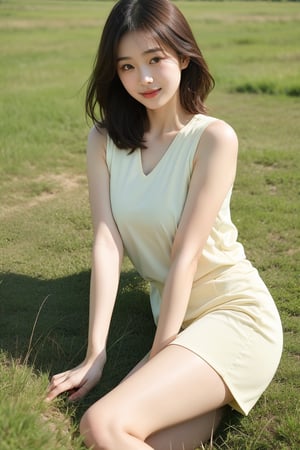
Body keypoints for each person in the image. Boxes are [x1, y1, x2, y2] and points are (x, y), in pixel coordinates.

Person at [46, 1, 283, 449]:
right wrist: (96, 353)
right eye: (128, 66)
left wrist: (157, 357)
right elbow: (106, 239)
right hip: (180, 323)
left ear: (184, 55)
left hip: (234, 316)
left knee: (101, 425)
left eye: (155, 59)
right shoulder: (104, 140)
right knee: (126, 438)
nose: (145, 79)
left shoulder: (213, 139)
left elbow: (186, 255)